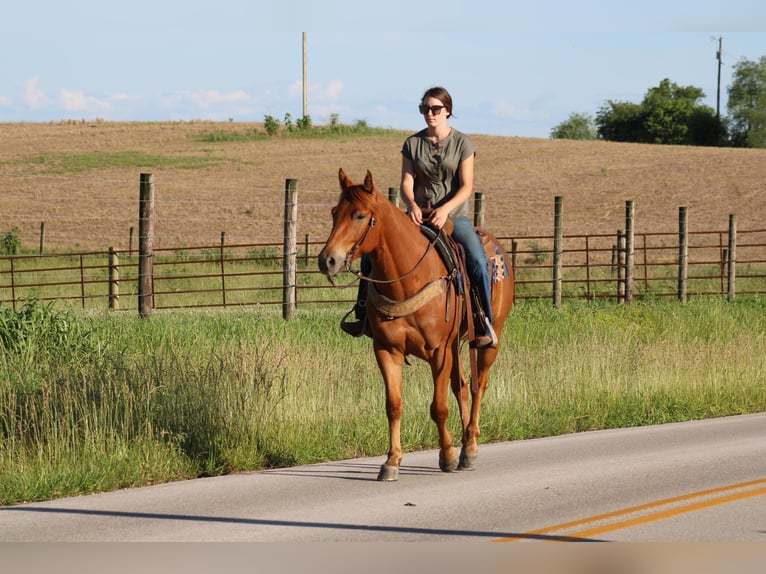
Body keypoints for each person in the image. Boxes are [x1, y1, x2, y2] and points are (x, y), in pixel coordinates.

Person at [342, 86, 497, 348]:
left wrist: (445, 209)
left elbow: (466, 186)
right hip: (417, 215)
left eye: (435, 109)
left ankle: (483, 322)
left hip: (452, 217)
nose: (430, 113)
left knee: (477, 260)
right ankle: (363, 315)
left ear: (448, 111)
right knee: (371, 254)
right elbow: (406, 182)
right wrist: (411, 204)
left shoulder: (463, 144)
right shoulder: (412, 144)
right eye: (425, 108)